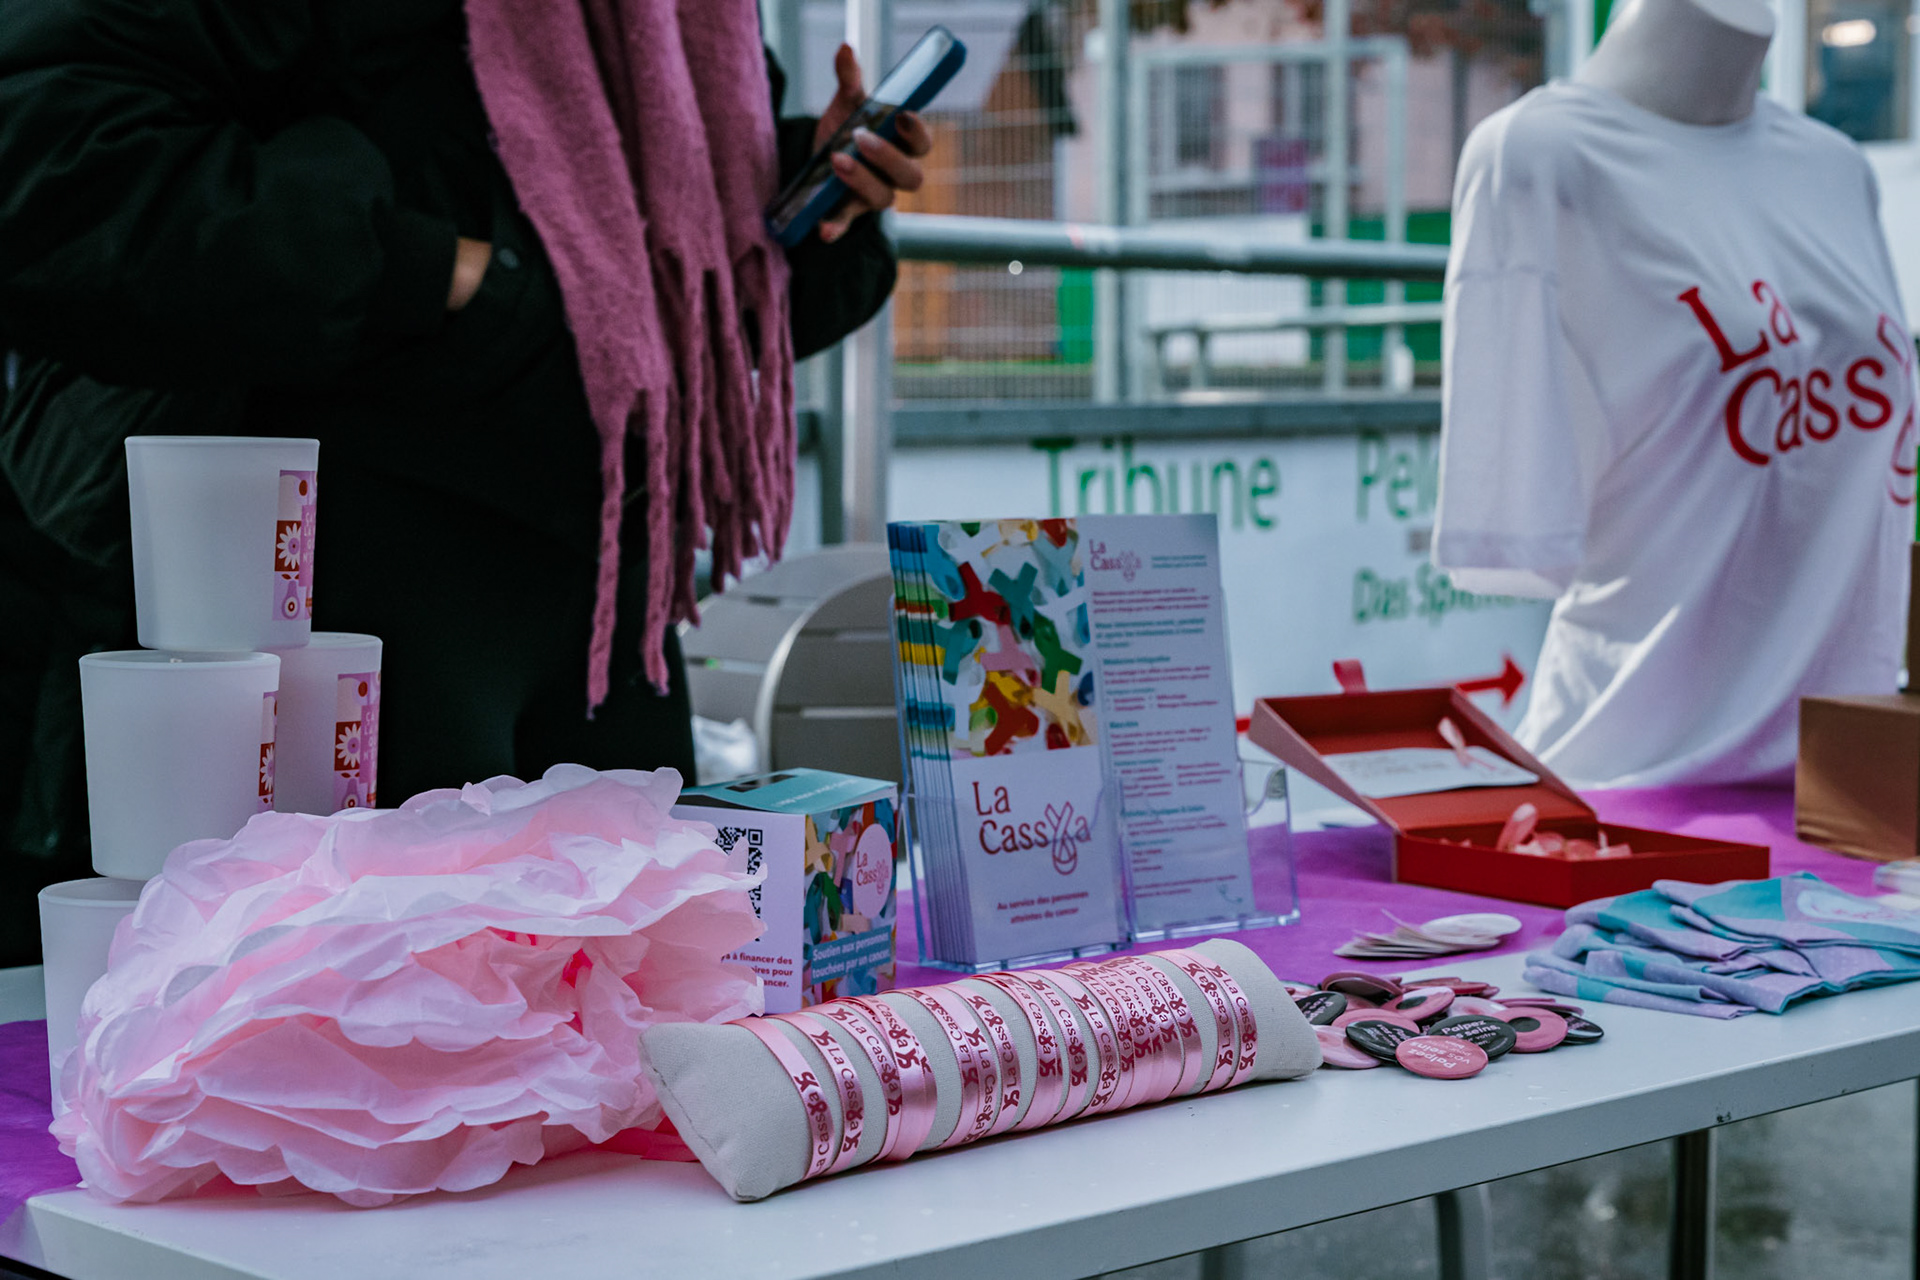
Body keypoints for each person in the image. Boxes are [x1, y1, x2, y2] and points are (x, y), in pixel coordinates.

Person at [0, 0, 933, 966]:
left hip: (601, 611)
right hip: (318, 600)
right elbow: (52, 158)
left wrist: (814, 206)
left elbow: (680, 325)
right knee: (340, 1057)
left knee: (623, 1049)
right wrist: (430, 269)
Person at [1433, 0, 1916, 789]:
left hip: (1848, 784)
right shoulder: (1537, 157)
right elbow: (1516, 531)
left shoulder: (1837, 170)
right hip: (1632, 786)